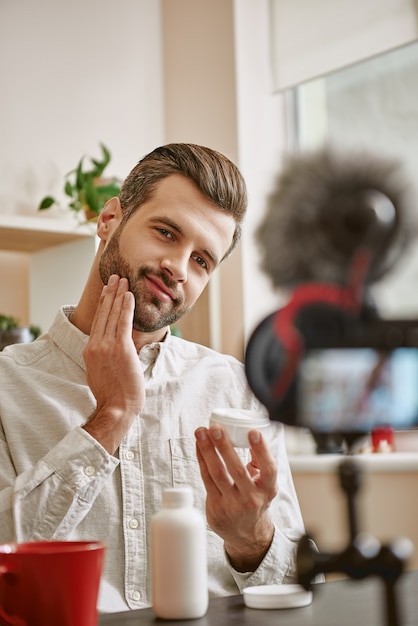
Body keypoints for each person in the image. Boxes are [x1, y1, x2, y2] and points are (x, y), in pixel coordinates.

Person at [0, 143, 305, 612]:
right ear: (108, 221)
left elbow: (297, 588)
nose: (179, 268)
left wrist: (251, 541)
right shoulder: (7, 386)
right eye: (166, 233)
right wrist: (112, 416)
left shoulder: (240, 389)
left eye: (202, 260)